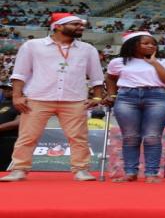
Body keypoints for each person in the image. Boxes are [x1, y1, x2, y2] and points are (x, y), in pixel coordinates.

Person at [0, 13, 104, 182]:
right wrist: (17, 96)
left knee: (78, 136)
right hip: (38, 97)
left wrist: (98, 98)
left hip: (74, 98)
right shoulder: (32, 46)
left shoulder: (88, 49)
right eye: (75, 24)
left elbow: (96, 76)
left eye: (81, 24)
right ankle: (19, 169)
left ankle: (81, 169)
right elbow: (20, 73)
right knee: (28, 135)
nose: (81, 27)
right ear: (58, 26)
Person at [104, 31, 165, 183]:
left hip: (156, 97)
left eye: (153, 43)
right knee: (130, 137)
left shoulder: (164, 61)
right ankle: (130, 172)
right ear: (133, 44)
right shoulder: (118, 62)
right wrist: (112, 95)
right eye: (146, 43)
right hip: (126, 97)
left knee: (152, 137)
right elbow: (110, 78)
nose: (151, 45)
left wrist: (154, 63)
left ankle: (151, 173)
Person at [0, 82, 21, 170]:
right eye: (4, 89)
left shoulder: (21, 104)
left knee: (4, 166)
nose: (6, 91)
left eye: (10, 89)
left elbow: (20, 122)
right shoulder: (2, 103)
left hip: (9, 139)